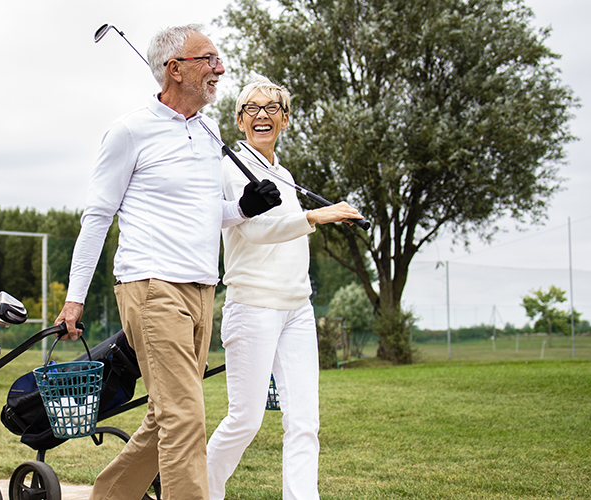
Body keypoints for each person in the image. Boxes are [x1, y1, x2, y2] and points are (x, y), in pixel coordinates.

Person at [53, 25, 281, 500]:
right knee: (185, 417)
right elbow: (97, 216)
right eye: (208, 59)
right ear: (174, 69)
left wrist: (245, 207)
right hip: (152, 287)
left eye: (218, 59)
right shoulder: (130, 131)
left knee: (166, 416)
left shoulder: (207, 130)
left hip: (201, 289)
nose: (219, 68)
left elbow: (205, 212)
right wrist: (74, 298)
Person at [205, 75, 362, 500]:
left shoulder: (284, 174)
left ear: (286, 120)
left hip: (298, 308)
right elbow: (256, 231)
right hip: (252, 305)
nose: (262, 115)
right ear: (239, 121)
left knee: (305, 422)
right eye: (251, 109)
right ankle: (198, 491)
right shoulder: (231, 168)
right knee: (245, 420)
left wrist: (312, 217)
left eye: (272, 108)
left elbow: (285, 230)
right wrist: (315, 217)